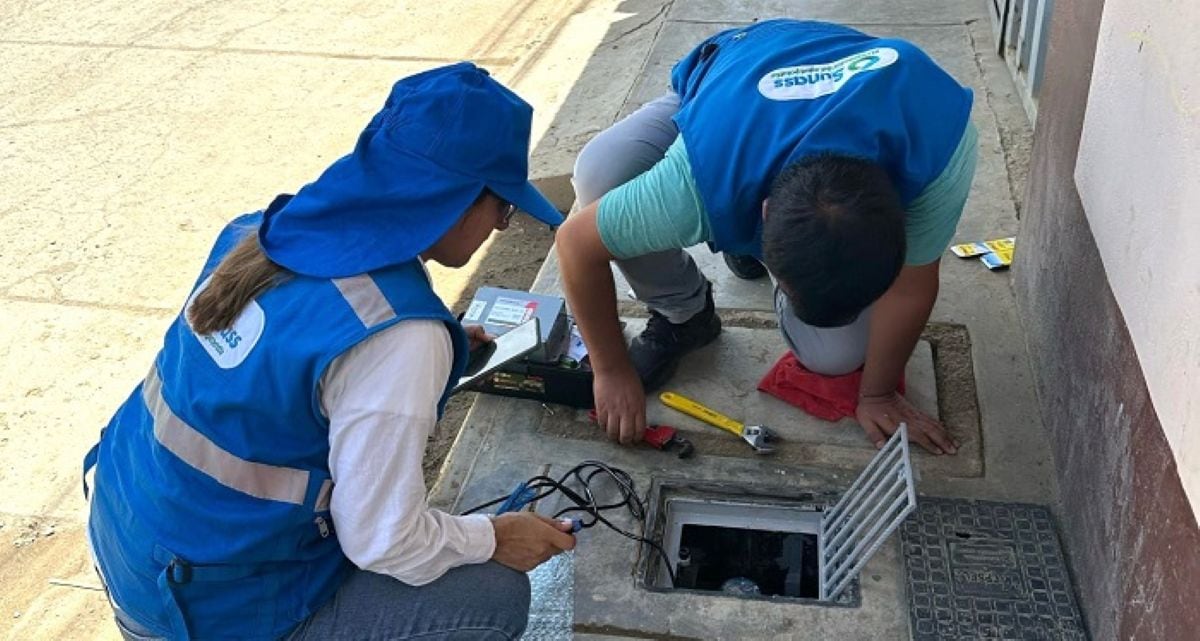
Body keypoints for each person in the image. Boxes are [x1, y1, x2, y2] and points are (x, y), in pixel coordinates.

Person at [83, 63, 575, 641]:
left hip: (132, 538)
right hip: (205, 610)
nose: (499, 226)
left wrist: (422, 358)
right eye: (503, 208)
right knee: (490, 596)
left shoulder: (259, 235)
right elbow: (386, 541)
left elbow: (277, 372)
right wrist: (495, 535)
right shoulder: (398, 339)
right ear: (457, 200)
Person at [557, 19, 978, 455]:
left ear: (900, 223)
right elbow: (574, 244)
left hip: (801, 98)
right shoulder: (696, 183)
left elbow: (911, 288)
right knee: (601, 177)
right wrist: (610, 368)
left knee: (833, 357)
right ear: (765, 212)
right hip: (728, 81)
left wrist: (878, 393)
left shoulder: (940, 145)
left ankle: (751, 249)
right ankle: (684, 313)